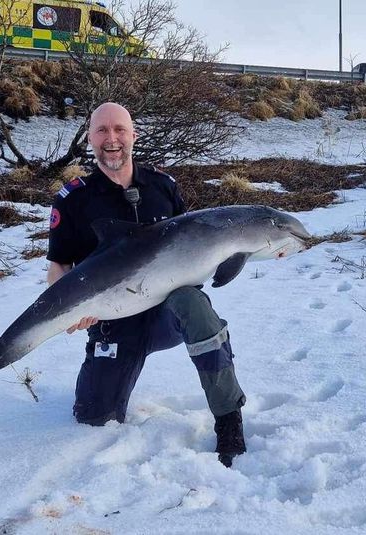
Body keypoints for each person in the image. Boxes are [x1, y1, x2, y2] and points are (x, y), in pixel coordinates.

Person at [46, 102, 246, 467]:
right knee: (94, 417)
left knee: (194, 304)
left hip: (165, 315)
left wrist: (259, 248)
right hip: (111, 320)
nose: (112, 139)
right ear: (89, 138)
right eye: (102, 131)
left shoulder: (162, 186)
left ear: (133, 135)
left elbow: (199, 242)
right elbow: (59, 264)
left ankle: (229, 416)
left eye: (120, 130)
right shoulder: (74, 199)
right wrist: (69, 311)